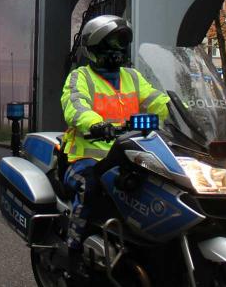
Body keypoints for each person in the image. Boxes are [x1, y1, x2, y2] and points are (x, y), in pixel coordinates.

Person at [61, 15, 169, 274]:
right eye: (110, 44)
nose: (117, 50)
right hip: (87, 160)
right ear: (95, 47)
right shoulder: (81, 77)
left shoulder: (132, 77)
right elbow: (75, 106)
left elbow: (158, 100)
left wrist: (186, 115)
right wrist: (96, 123)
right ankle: (72, 252)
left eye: (121, 43)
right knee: (90, 187)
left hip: (128, 156)